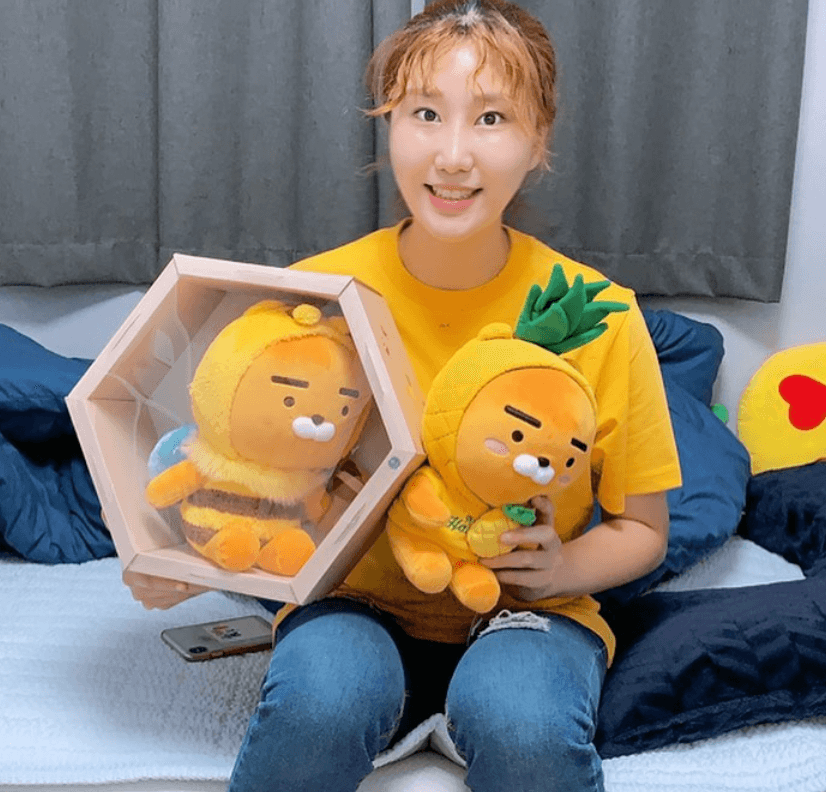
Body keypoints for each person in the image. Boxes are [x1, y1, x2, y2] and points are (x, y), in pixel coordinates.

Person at [126, 2, 682, 790]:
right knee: (319, 705)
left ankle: (470, 710)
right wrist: (168, 560)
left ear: (539, 140)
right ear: (389, 125)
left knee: (524, 728)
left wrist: (558, 567)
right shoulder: (315, 294)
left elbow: (643, 529)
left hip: (528, 615)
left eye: (491, 118)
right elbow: (236, 459)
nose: (452, 156)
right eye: (424, 113)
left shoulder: (599, 313)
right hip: (355, 602)